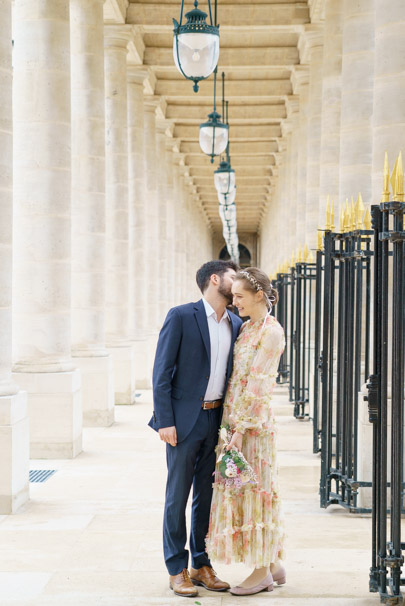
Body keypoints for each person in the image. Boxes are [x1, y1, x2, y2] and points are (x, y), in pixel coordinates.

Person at [149, 260, 243, 598]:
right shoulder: (181, 316)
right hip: (184, 422)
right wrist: (165, 421)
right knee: (177, 496)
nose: (239, 280)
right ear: (215, 279)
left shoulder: (235, 321)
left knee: (208, 496)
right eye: (234, 276)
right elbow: (161, 372)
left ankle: (201, 565)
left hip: (216, 421)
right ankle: (176, 568)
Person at [206, 267, 286, 596]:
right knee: (240, 490)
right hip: (233, 425)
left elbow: (258, 385)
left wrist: (240, 430)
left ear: (258, 296)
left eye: (239, 296)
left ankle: (261, 570)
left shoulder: (271, 331)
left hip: (252, 428)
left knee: (255, 493)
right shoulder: (247, 328)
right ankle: (272, 562)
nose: (234, 301)